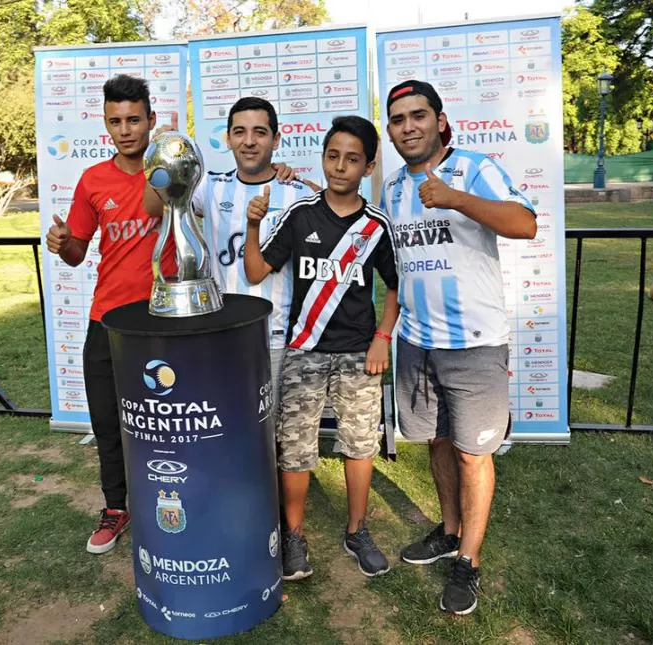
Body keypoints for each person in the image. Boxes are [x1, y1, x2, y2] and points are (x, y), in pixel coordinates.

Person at [380, 80, 537, 615]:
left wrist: (455, 199)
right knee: (437, 441)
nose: (409, 127)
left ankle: (468, 560)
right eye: (398, 119)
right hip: (416, 342)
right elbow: (399, 270)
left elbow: (525, 223)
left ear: (440, 121)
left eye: (418, 116)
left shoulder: (473, 168)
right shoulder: (393, 188)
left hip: (474, 344)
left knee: (474, 453)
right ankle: (449, 531)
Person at [243, 115, 400, 580]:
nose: (340, 167)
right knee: (294, 449)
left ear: (369, 166)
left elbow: (395, 287)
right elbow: (255, 271)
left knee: (358, 445)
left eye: (352, 159)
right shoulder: (300, 215)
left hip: (358, 357)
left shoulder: (376, 226)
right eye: (333, 156)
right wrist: (253, 225)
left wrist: (382, 339)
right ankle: (293, 535)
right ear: (323, 158)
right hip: (305, 352)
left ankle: (357, 530)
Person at [46, 74, 176, 555]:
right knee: (107, 421)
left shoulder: (171, 171)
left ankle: (169, 499)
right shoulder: (92, 181)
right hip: (107, 320)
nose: (125, 130)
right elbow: (78, 252)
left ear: (150, 121)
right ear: (106, 123)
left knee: (164, 420)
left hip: (162, 320)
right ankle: (116, 507)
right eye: (116, 121)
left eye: (134, 120)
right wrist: (63, 245)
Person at [144, 97, 317, 420]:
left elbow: (334, 215)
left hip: (276, 336)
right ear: (228, 138)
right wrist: (159, 155)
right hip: (221, 331)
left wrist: (303, 180)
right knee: (227, 424)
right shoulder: (210, 186)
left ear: (276, 139)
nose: (249, 141)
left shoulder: (297, 193)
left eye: (260, 132)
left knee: (275, 432)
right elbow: (156, 207)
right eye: (239, 132)